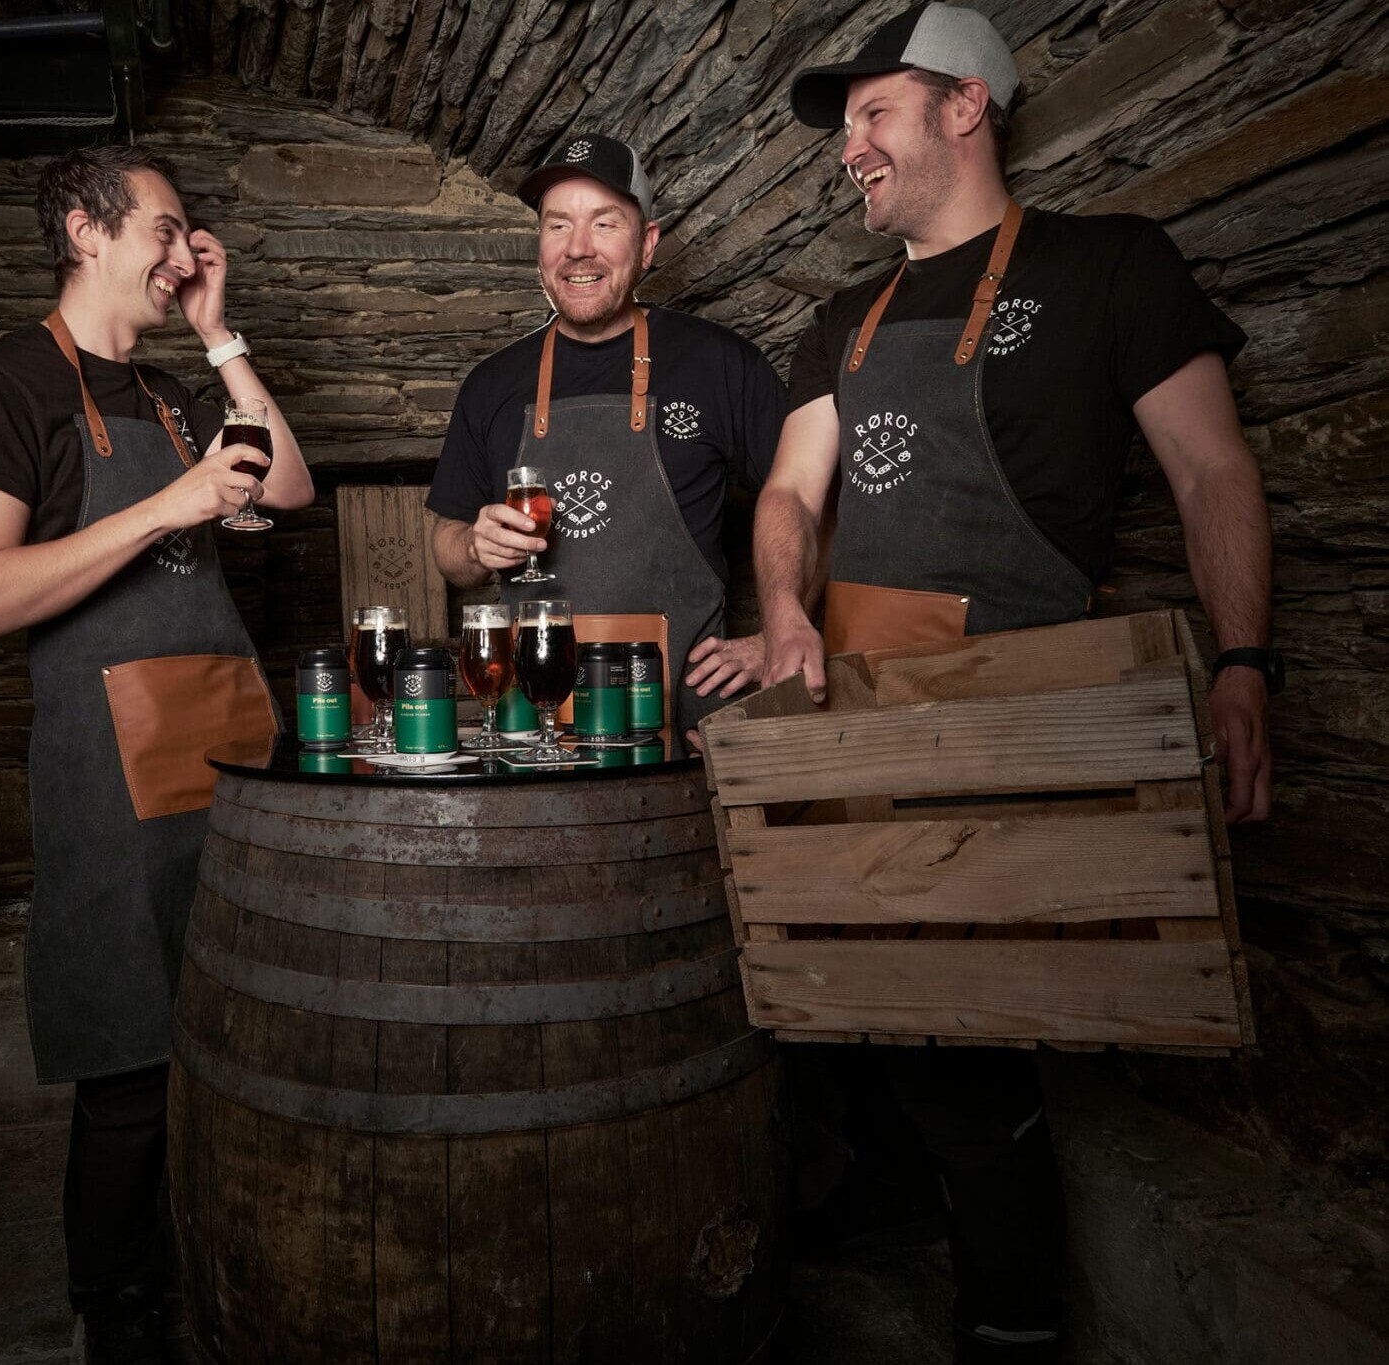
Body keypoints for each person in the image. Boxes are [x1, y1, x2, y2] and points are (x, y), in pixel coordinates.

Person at [758, 4, 1277, 1361]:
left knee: (972, 1053)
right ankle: (904, 1238)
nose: (847, 151)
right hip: (851, 717)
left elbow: (1210, 470)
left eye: (869, 115)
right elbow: (787, 494)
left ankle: (1007, 1320)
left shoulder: (1108, 265)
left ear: (961, 107)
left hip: (1010, 719)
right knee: (838, 1015)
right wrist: (774, 609)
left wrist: (1237, 662)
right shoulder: (843, 317)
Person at [0, 144, 313, 1363]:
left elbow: (291, 485)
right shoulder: (1, 387)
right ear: (87, 231)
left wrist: (218, 328)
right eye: (166, 228)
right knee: (133, 1068)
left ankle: (224, 1267)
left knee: (246, 1036)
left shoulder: (176, 392)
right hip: (110, 769)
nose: (182, 247)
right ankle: (125, 1318)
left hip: (232, 750)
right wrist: (169, 505)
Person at [425, 133, 785, 739]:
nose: (579, 250)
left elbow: (810, 500)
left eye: (604, 223)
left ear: (647, 243)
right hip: (528, 726)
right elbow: (445, 546)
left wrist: (779, 636)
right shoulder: (491, 384)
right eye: (558, 225)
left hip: (679, 726)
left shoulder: (722, 365)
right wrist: (474, 549)